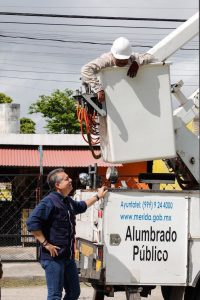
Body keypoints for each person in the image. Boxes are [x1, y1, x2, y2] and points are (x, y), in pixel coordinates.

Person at [26, 168, 107, 300]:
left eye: (69, 178)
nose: (70, 180)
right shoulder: (49, 202)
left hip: (68, 257)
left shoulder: (67, 201)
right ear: (57, 185)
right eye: (66, 179)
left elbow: (81, 206)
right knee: (55, 296)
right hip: (53, 259)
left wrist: (98, 196)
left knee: (74, 292)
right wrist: (46, 244)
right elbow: (31, 223)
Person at [81, 36, 155, 102]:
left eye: (125, 59)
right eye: (119, 59)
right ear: (114, 54)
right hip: (111, 98)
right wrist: (98, 89)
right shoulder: (107, 59)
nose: (122, 62)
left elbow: (150, 57)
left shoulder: (132, 57)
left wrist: (137, 62)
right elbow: (86, 69)